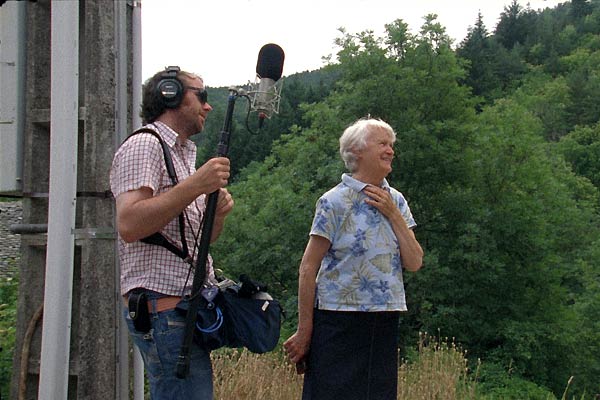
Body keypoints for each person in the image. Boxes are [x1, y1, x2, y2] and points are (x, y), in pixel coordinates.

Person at [110, 66, 234, 399]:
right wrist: (196, 185)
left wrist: (215, 215)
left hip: (180, 311)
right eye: (201, 95)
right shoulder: (144, 146)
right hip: (163, 311)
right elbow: (130, 224)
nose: (208, 106)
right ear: (171, 95)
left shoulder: (180, 155)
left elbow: (196, 245)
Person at [283, 118, 424, 400]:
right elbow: (308, 268)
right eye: (382, 144)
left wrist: (393, 214)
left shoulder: (396, 200)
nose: (390, 151)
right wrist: (305, 330)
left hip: (383, 319)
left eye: (391, 145)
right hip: (338, 320)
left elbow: (414, 262)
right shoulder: (333, 201)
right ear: (356, 151)